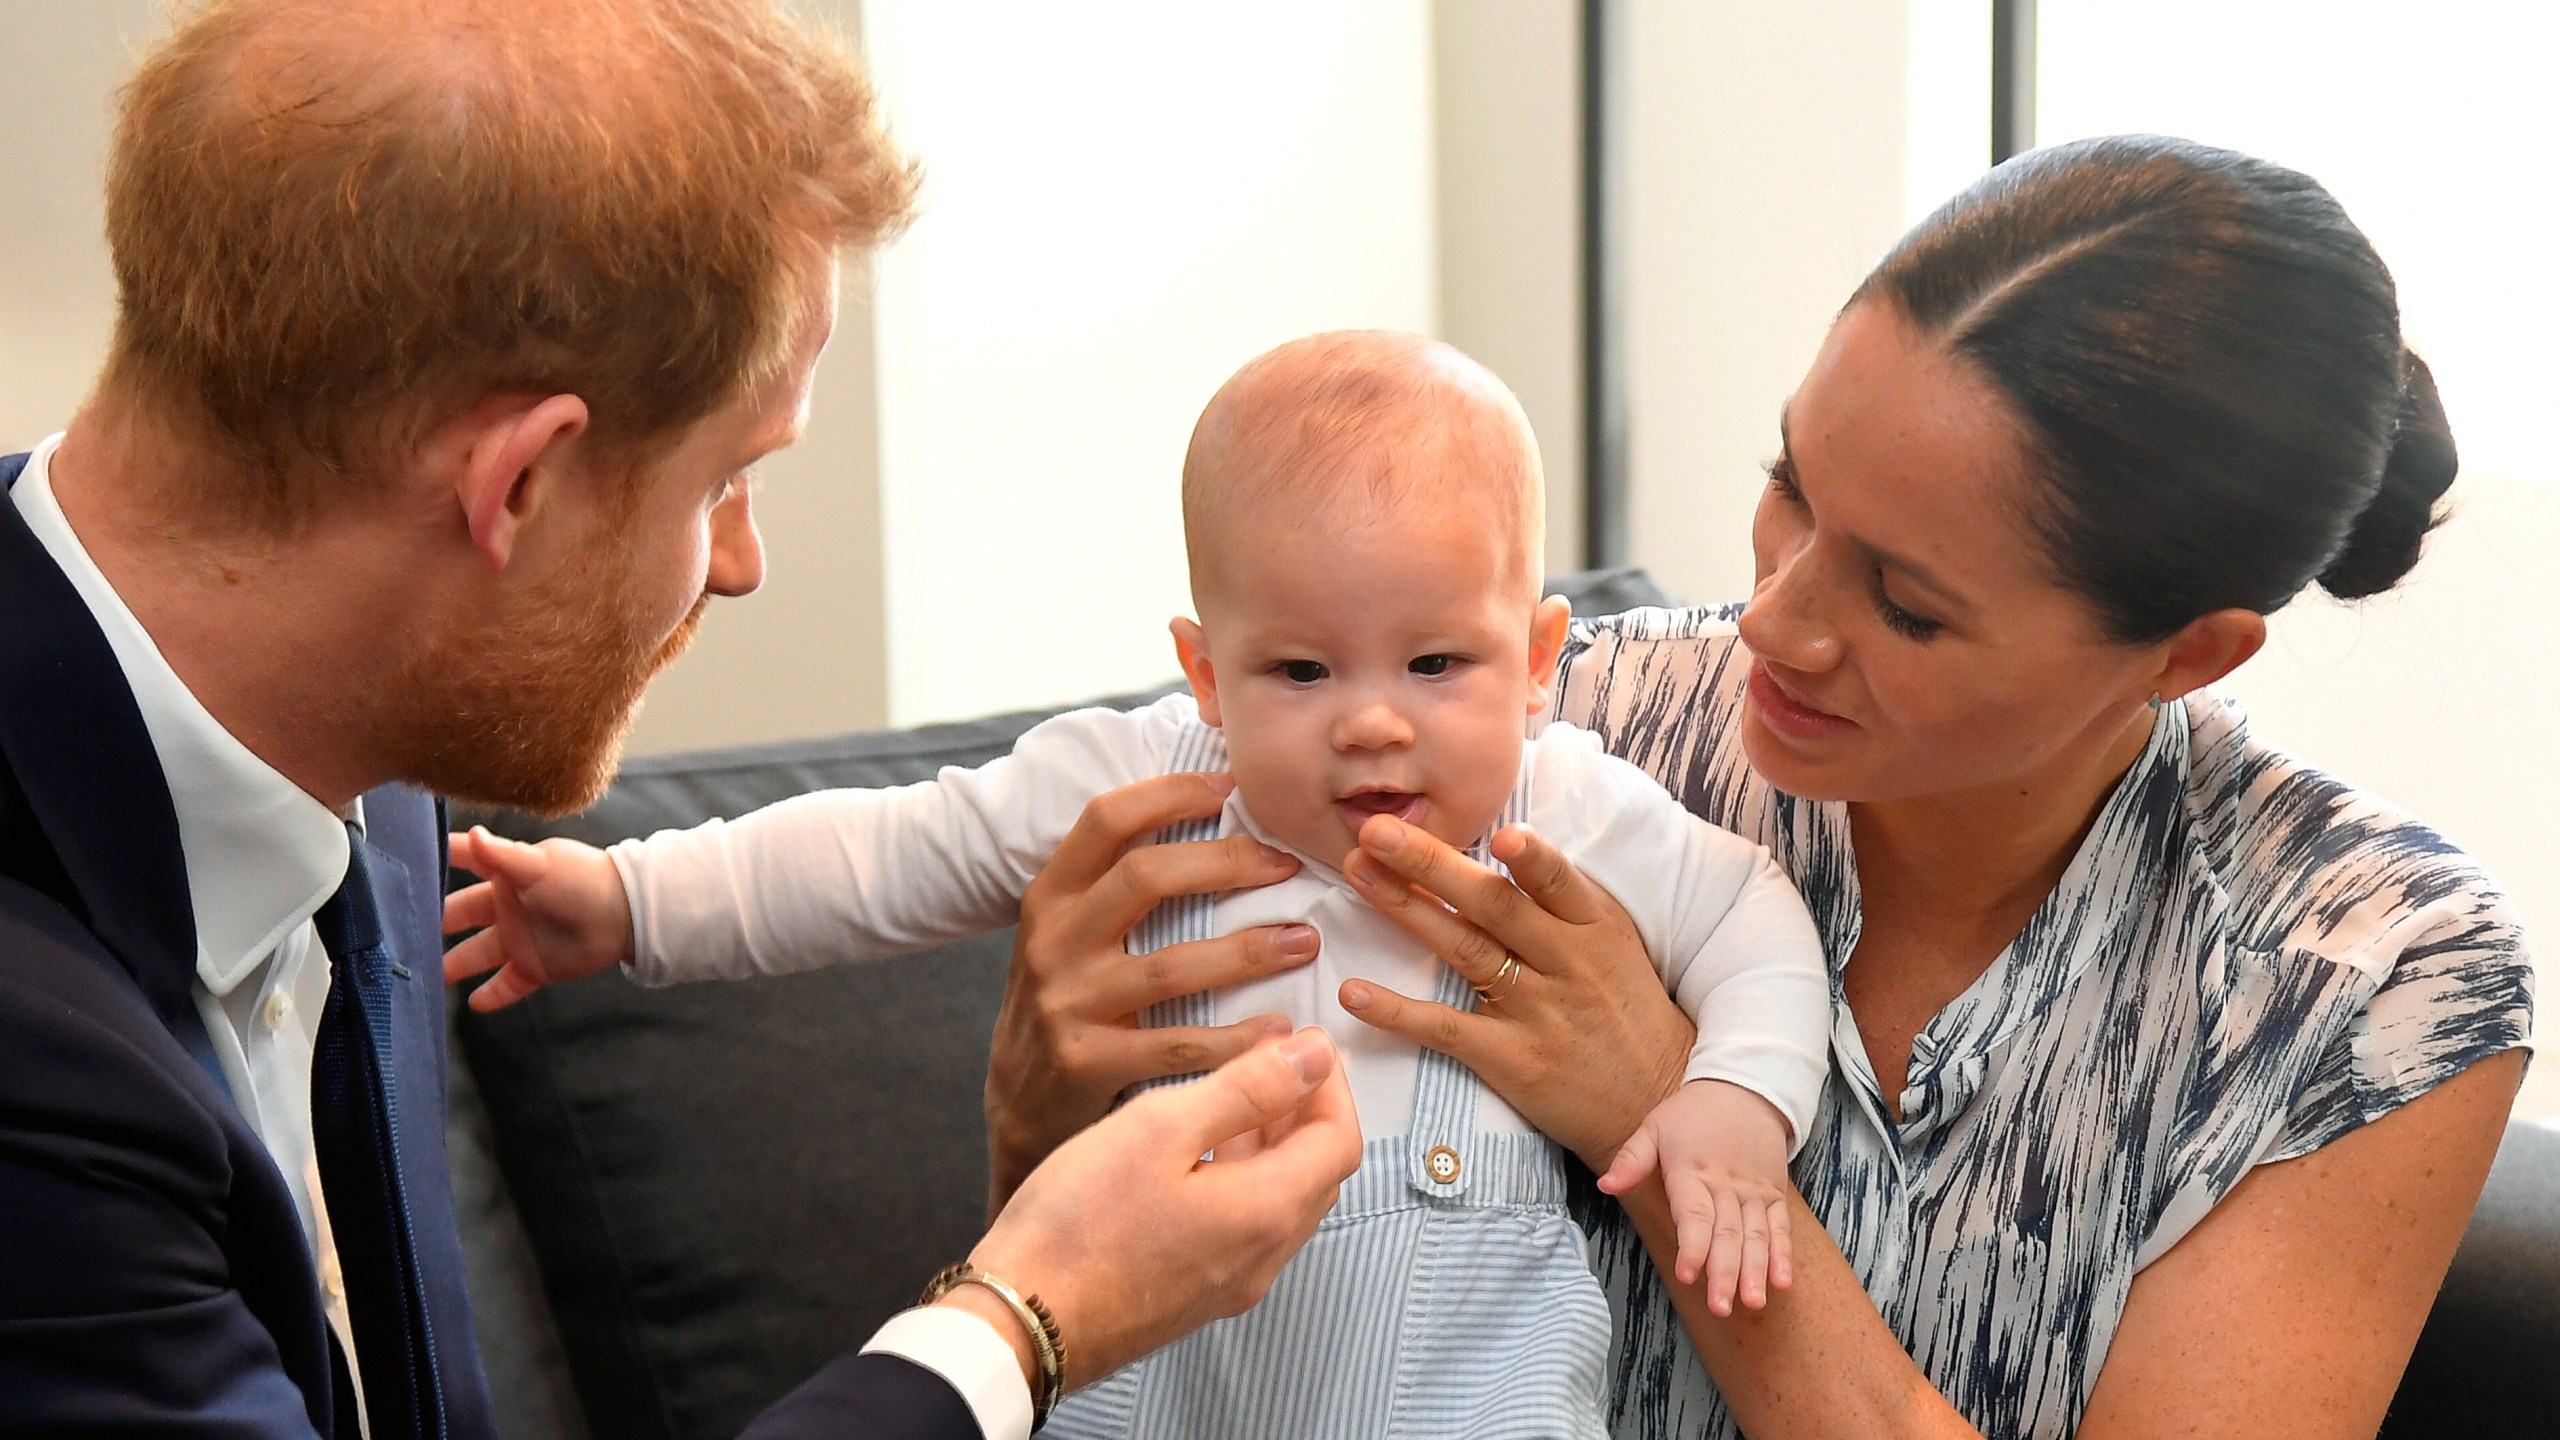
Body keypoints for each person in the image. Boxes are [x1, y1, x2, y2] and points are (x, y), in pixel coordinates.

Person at [978, 136, 2536, 1439]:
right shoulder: (1540, 729)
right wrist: (1040, 1102)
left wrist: (1666, 1115)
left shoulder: (2371, 982)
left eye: (1905, 603)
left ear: (2187, 653)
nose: (1775, 619)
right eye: (1791, 483)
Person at [0, 2, 1360, 1437]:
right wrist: (1023, 1319)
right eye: (726, 477)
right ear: (518, 486)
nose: (741, 561)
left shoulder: (369, 756)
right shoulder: (38, 1075)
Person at [439, 329, 1833, 1438]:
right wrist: (626, 904)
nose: (1371, 723)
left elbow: (1753, 919)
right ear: (1203, 670)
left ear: (1537, 661)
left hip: (1473, 1392)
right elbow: (884, 853)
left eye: (1435, 665)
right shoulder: (1140, 783)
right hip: (1169, 1375)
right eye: (1299, 670)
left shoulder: (1569, 803)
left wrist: (1731, 1104)